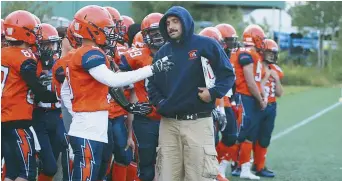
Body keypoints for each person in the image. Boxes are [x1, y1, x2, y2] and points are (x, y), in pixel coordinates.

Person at [60, 5, 173, 180]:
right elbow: (113, 80)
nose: (111, 33)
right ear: (92, 30)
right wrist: (152, 68)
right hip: (87, 128)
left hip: (93, 125)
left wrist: (128, 105)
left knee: (98, 173)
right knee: (86, 175)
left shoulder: (87, 53)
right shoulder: (89, 53)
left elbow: (66, 90)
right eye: (106, 29)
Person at [147, 6, 235, 181]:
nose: (171, 26)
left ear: (185, 22)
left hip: (198, 122)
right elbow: (152, 85)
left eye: (175, 21)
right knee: (167, 176)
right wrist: (161, 104)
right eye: (168, 23)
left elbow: (227, 74)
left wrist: (213, 92)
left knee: (199, 177)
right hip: (169, 125)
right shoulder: (163, 52)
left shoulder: (206, 45)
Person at [2, 10, 58, 181]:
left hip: (4, 118)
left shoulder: (3, 53)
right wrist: (55, 97)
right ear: (24, 31)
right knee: (27, 173)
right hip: (18, 120)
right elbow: (36, 88)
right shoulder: (24, 56)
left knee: (11, 172)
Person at [230, 24, 266, 180]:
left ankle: (244, 168)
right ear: (256, 38)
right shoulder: (246, 54)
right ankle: (222, 165)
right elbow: (250, 82)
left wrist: (260, 95)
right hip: (244, 96)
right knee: (239, 134)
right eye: (261, 39)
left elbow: (256, 82)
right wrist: (260, 99)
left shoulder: (251, 53)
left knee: (249, 134)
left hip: (250, 97)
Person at [252, 39, 284, 177]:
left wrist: (276, 79)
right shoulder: (256, 65)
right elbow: (254, 86)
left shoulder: (275, 70)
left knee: (264, 138)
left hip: (271, 105)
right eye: (269, 52)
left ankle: (259, 166)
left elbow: (280, 93)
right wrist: (266, 77)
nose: (272, 55)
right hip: (256, 104)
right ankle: (240, 165)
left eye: (273, 53)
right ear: (262, 52)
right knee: (249, 136)